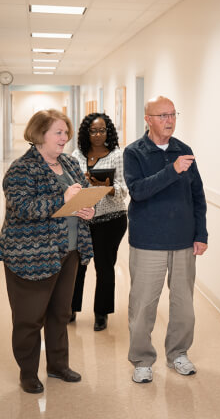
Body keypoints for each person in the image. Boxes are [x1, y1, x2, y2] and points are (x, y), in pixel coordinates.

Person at [0, 109, 95, 394]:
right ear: (40, 134)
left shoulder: (68, 163)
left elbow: (84, 191)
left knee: (59, 313)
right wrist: (62, 198)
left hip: (68, 251)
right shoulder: (21, 169)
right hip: (30, 256)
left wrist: (88, 208)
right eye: (58, 132)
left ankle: (57, 366)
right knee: (29, 319)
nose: (65, 138)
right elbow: (23, 207)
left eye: (66, 132)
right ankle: (28, 373)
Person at [123, 96, 207, 384]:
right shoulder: (134, 152)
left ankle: (179, 354)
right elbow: (138, 191)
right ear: (148, 119)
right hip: (148, 241)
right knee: (143, 304)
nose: (169, 120)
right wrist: (172, 171)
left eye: (172, 114)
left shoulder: (184, 150)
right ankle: (142, 360)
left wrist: (201, 234)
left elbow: (198, 196)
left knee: (184, 304)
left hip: (184, 240)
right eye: (162, 115)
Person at [70, 113, 128, 331]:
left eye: (102, 130)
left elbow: (123, 191)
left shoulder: (116, 155)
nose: (97, 134)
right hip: (83, 218)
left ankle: (101, 313)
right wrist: (81, 182)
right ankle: (71, 308)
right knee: (78, 266)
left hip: (111, 220)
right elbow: (69, 187)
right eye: (93, 130)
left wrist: (107, 186)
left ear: (108, 131)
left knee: (104, 267)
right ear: (86, 132)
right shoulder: (76, 155)